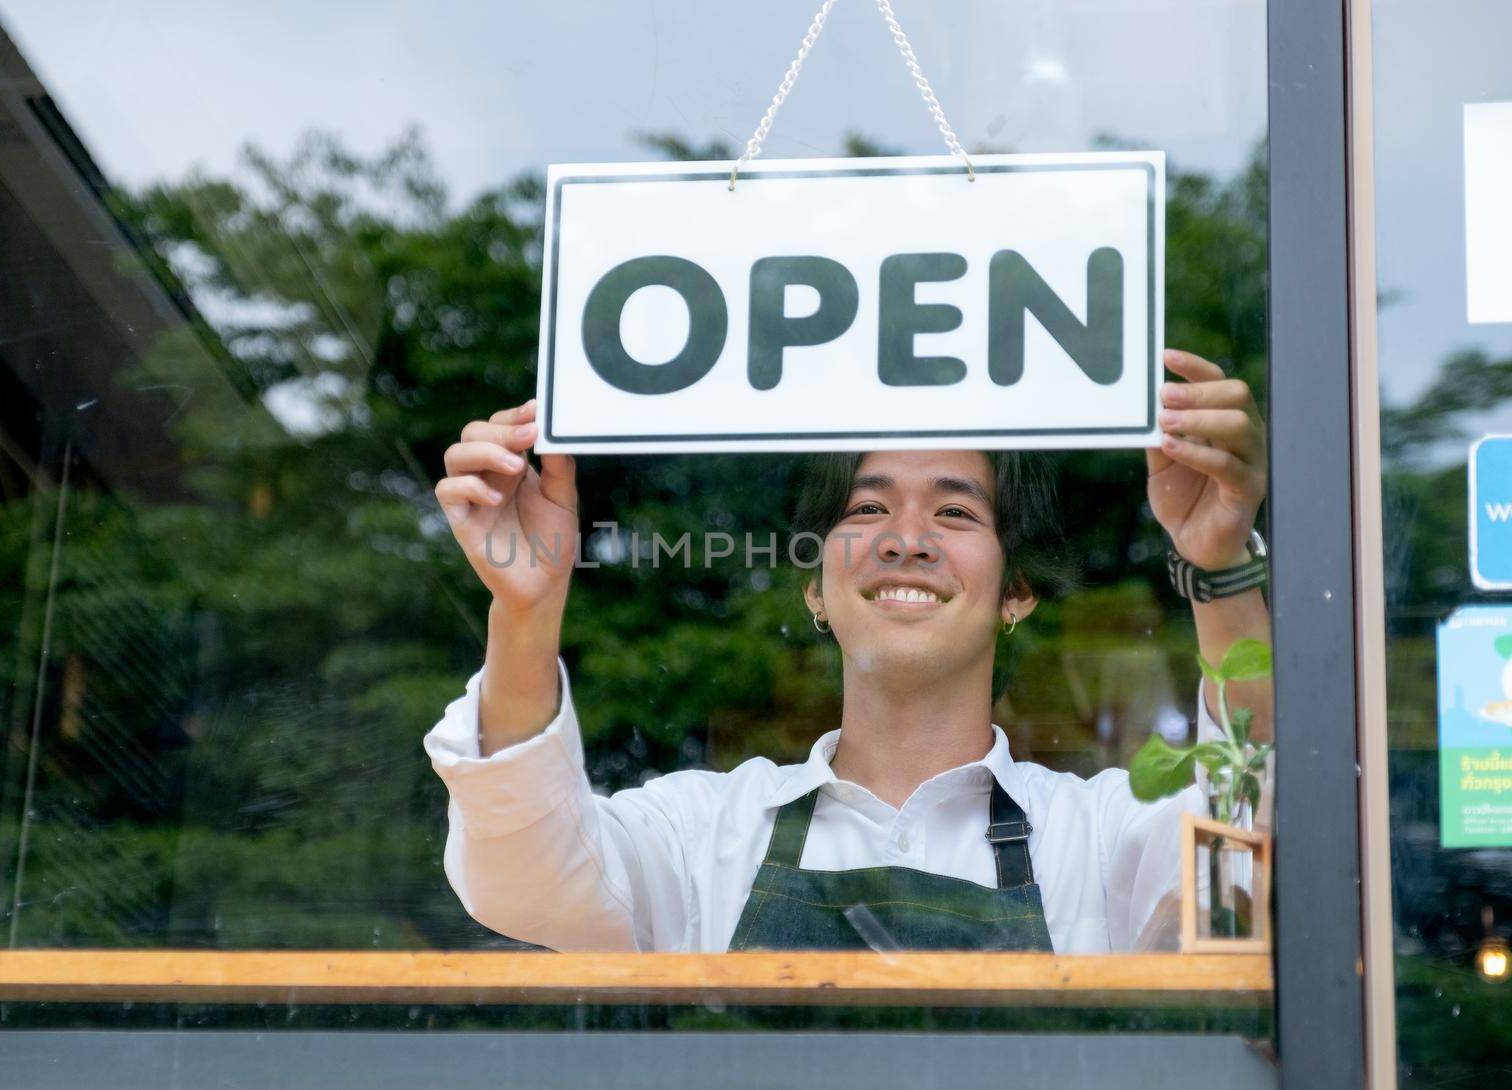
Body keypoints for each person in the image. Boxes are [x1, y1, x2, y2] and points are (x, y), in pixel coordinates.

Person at [425, 348, 1271, 953]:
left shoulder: (1102, 842)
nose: (906, 540)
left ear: (1017, 593)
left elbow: (1251, 862)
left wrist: (1222, 567)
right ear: (812, 587)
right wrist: (524, 611)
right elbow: (523, 881)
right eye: (866, 511)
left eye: (955, 513)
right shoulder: (698, 839)